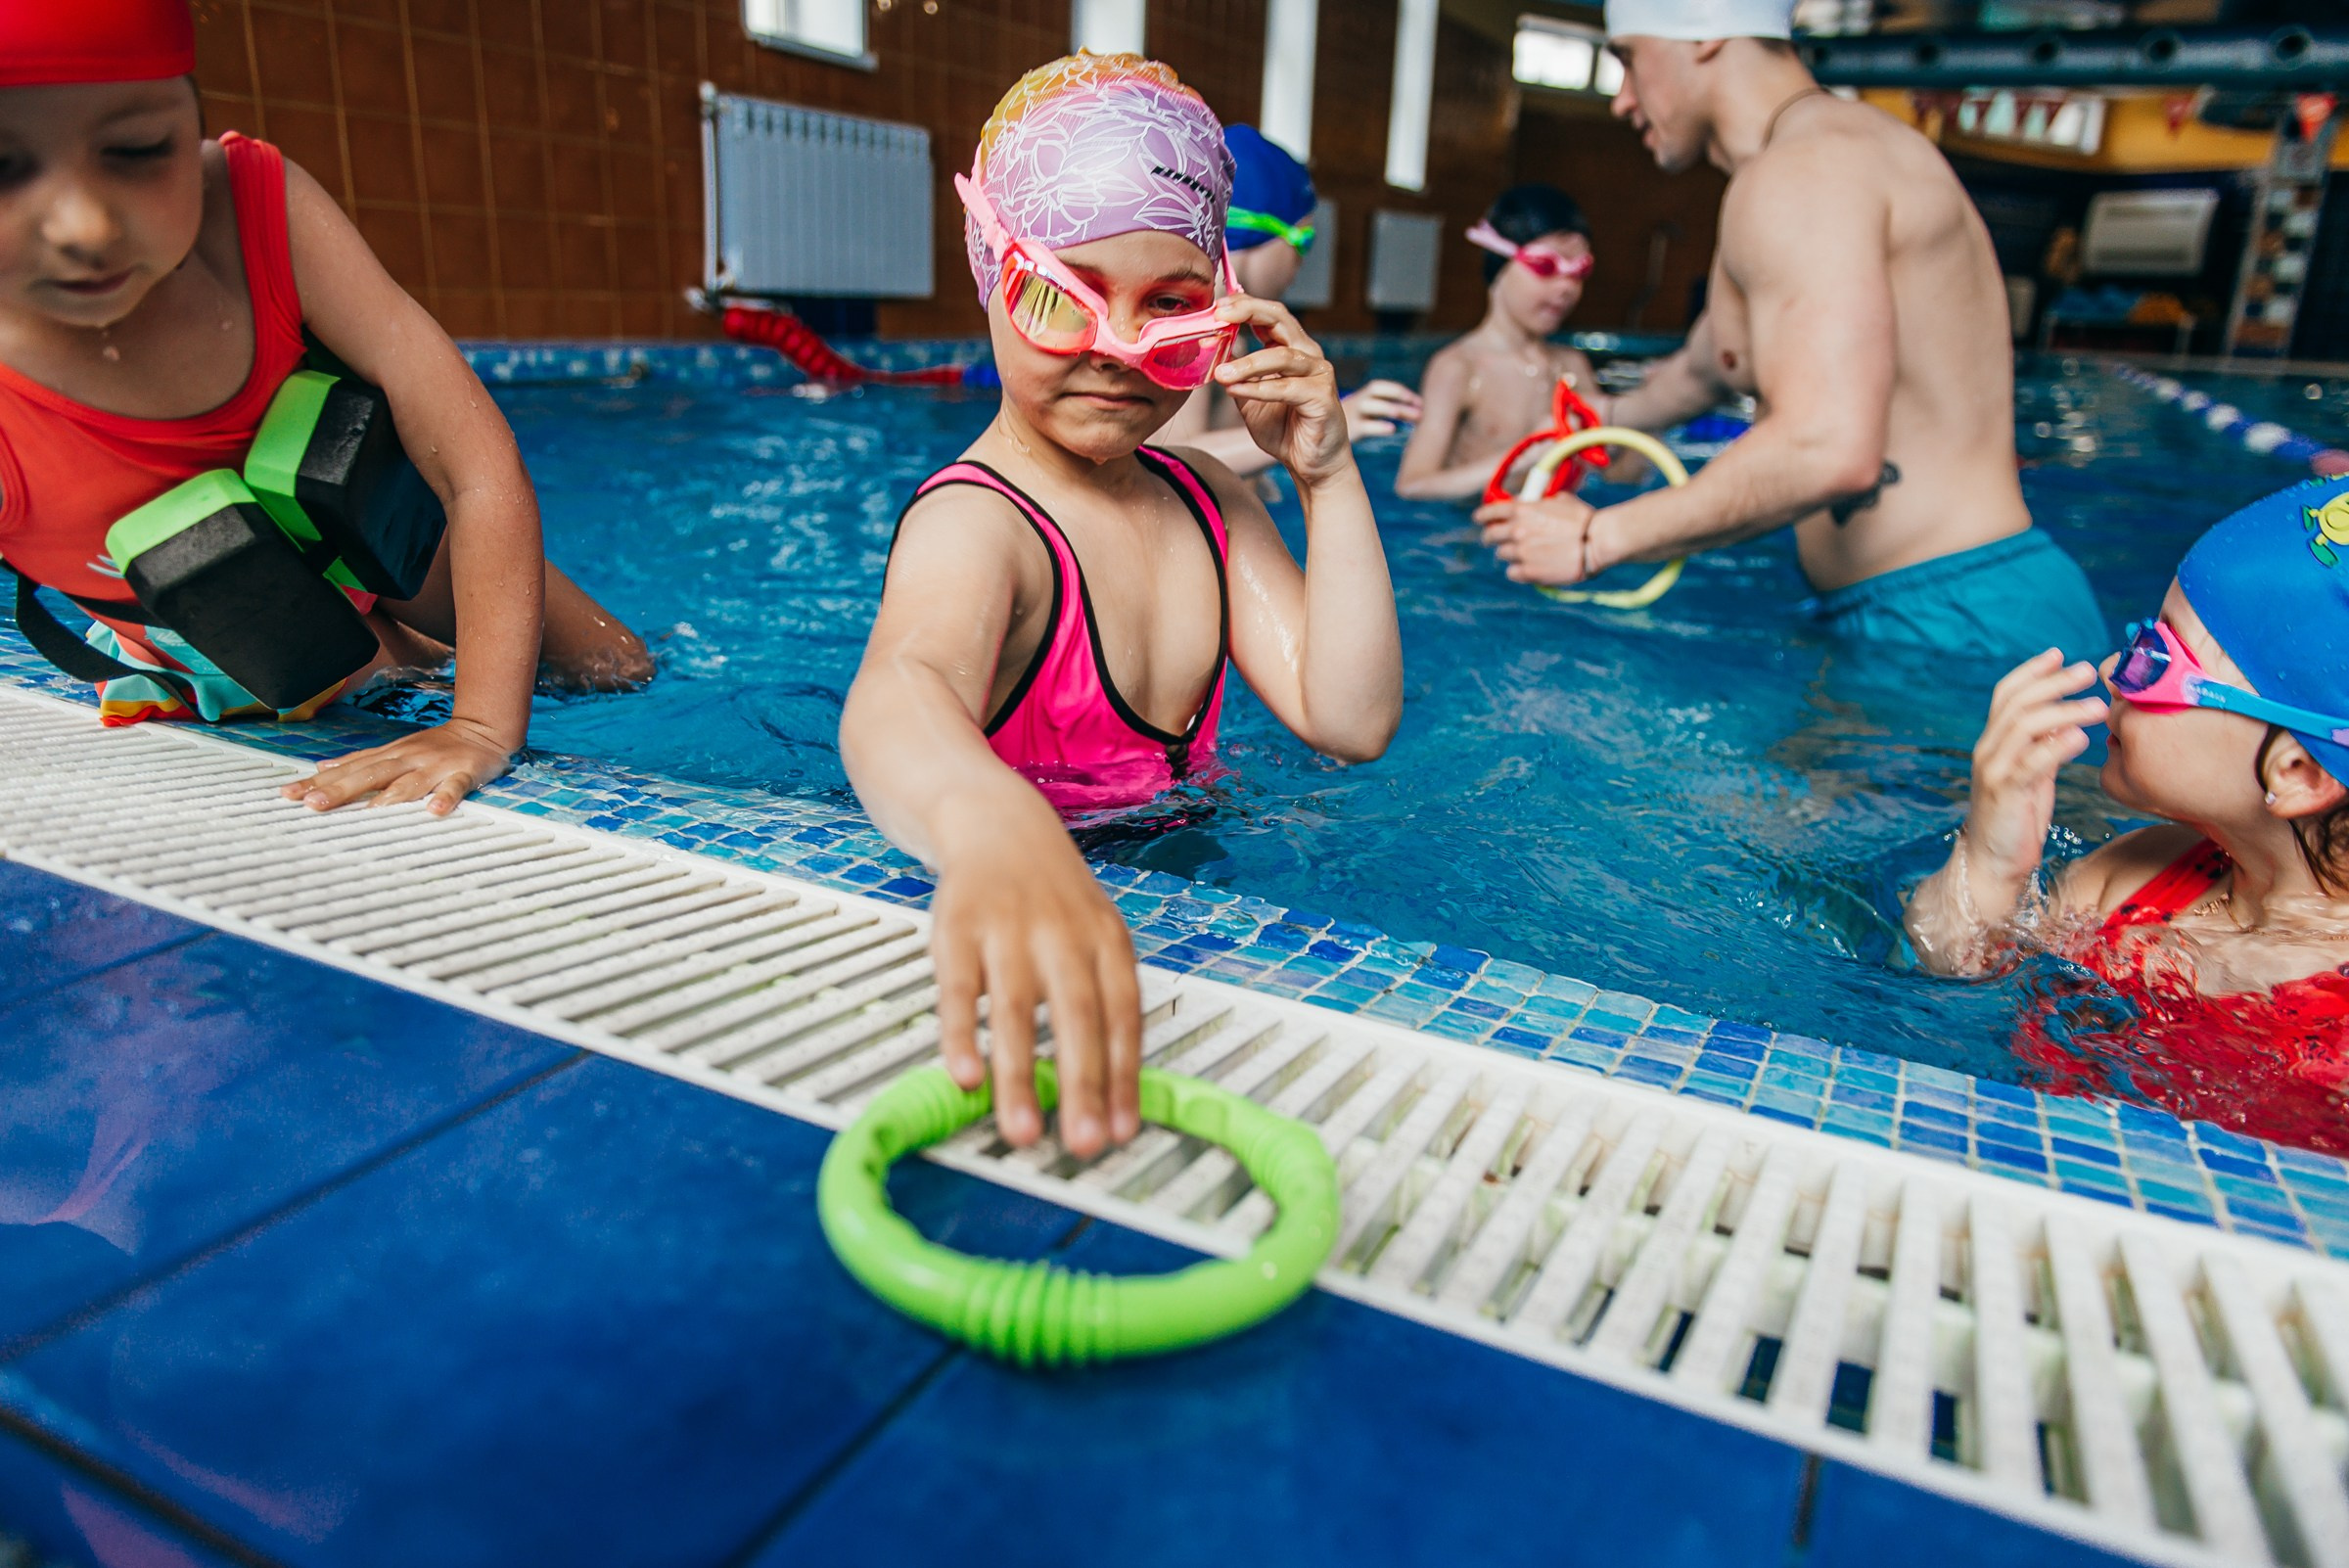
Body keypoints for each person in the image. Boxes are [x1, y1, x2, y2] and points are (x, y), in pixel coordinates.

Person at [840, 55, 1403, 1160]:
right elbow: (899, 690)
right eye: (1063, 297)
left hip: (1177, 888)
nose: (1116, 348)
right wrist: (993, 828)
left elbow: (1352, 718)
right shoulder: (982, 526)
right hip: (1012, 897)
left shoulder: (1214, 504)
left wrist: (1328, 477)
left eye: (1173, 312)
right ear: (995, 274)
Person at [0, 0, 650, 817]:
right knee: (387, 676)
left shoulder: (255, 209)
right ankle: (398, 653)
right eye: (2, 169)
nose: (85, 227)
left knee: (619, 669)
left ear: (195, 115)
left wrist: (484, 725)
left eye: (137, 150)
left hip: (380, 535)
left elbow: (476, 465)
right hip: (232, 628)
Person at [1474, 0, 2109, 667]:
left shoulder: (1806, 171)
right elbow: (1704, 368)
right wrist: (1592, 423)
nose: (1621, 100)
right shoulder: (1801, 165)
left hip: (1959, 619)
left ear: (1706, 35)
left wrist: (1598, 537)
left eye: (1629, 58)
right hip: (1924, 608)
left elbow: (1827, 447)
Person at [1906, 478, 2349, 1147]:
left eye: (2156, 659)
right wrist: (1991, 862)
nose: (2115, 668)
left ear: (2299, 771)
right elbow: (1944, 985)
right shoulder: (2130, 878)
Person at [1156, 124, 1419, 475]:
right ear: (1262, 231)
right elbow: (1164, 460)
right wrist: (1338, 424)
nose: (1300, 263)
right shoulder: (1199, 317)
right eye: (1303, 240)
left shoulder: (1228, 320)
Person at [1395, 184, 1603, 500]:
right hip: (1471, 536)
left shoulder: (1572, 366)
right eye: (1546, 266)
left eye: (1579, 271)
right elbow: (1413, 485)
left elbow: (1618, 474)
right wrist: (1526, 456)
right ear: (1498, 263)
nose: (1566, 287)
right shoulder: (1459, 367)